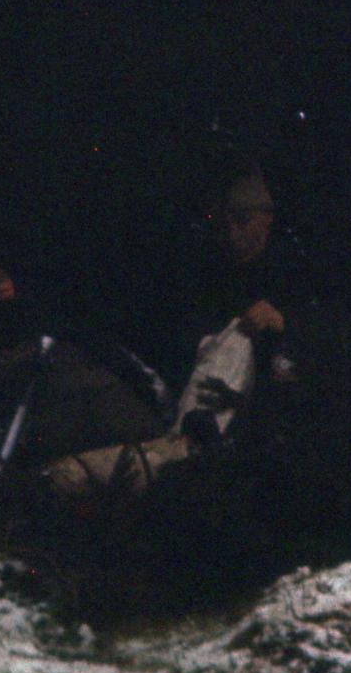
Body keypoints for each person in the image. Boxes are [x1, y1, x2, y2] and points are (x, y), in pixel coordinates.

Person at [39, 159, 296, 501]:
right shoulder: (202, 267)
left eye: (243, 221)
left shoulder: (289, 273)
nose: (233, 233)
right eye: (224, 223)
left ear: (267, 219)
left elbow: (310, 346)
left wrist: (282, 325)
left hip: (246, 418)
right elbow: (171, 337)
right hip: (176, 404)